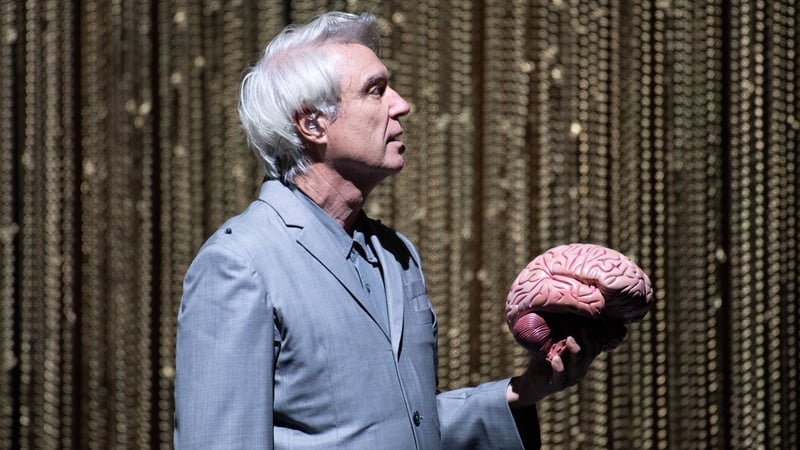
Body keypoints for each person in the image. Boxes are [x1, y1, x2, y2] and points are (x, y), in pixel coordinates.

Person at [174, 11, 602, 449]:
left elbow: (399, 424)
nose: (401, 104)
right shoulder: (238, 264)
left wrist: (522, 392)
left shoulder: (397, 253)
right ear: (312, 123)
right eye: (375, 90)